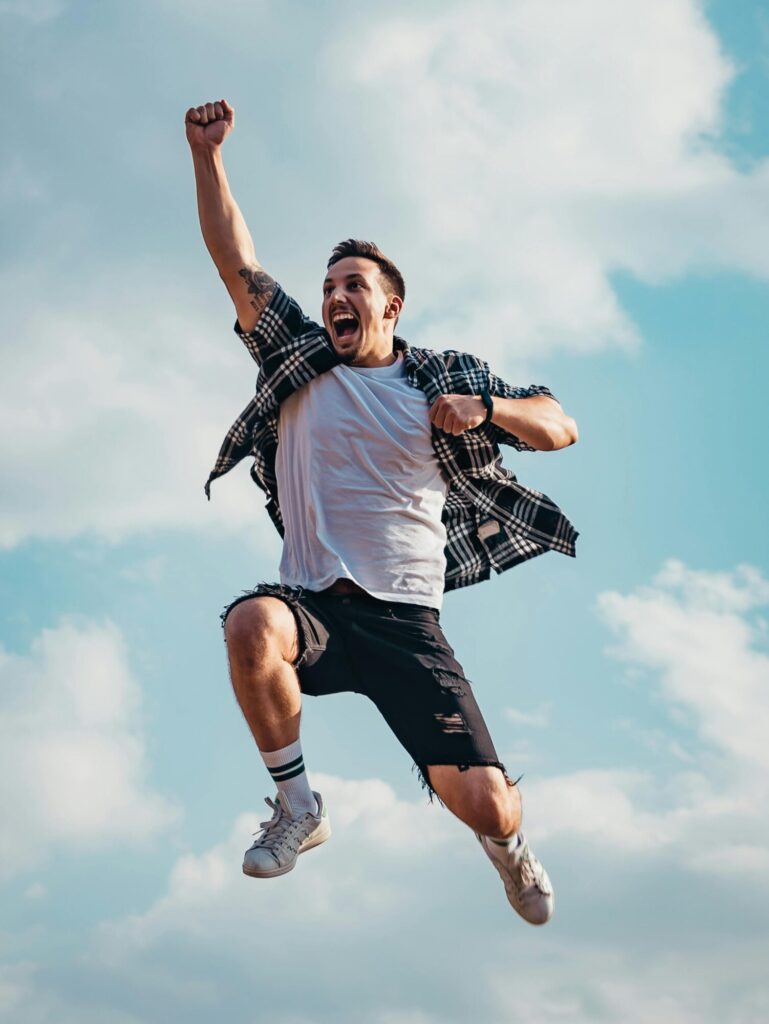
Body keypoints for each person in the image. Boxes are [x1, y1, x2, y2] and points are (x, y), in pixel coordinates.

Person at [186, 98, 579, 926]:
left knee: (488, 804)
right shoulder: (297, 355)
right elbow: (235, 262)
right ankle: (299, 806)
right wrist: (208, 155)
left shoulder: (437, 376)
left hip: (406, 622)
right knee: (251, 624)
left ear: (389, 308)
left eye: (352, 286)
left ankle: (507, 849)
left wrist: (486, 408)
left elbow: (558, 424)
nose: (335, 296)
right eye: (328, 285)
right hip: (314, 606)